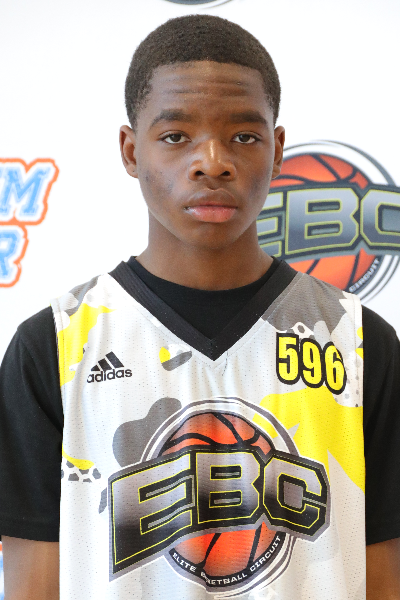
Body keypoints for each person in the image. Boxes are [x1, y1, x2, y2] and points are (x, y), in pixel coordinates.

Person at [0, 14, 399, 600]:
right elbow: (33, 585)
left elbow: (383, 577)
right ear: (130, 150)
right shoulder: (54, 347)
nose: (212, 161)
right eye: (175, 136)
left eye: (243, 137)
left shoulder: (360, 343)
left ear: (277, 150)